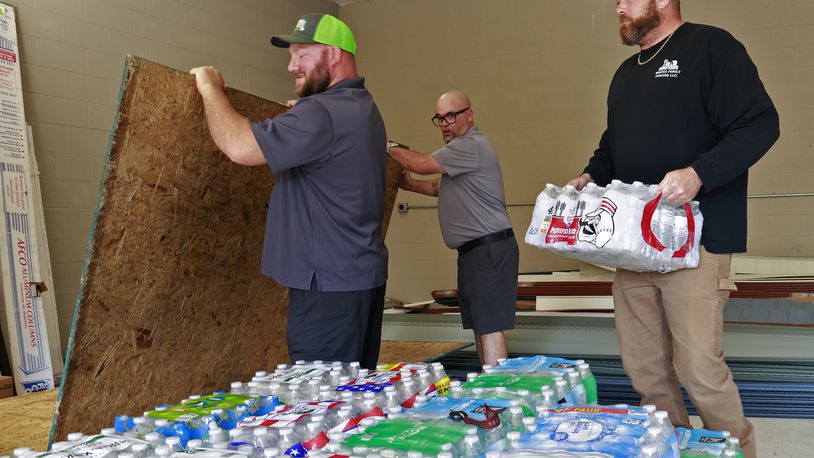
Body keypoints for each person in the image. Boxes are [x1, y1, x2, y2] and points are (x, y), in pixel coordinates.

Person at [566, 1, 779, 456]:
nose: (618, 6)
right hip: (632, 246)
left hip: (695, 244)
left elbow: (760, 124)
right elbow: (613, 145)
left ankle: (735, 452)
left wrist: (698, 173)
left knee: (699, 369)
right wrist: (590, 176)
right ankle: (675, 450)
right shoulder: (625, 75)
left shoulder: (711, 48)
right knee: (646, 370)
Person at [189, 13, 388, 370]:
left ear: (333, 54)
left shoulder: (322, 115)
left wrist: (210, 90)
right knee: (353, 400)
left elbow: (239, 147)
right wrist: (305, 116)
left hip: (326, 289)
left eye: (302, 55)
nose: (291, 66)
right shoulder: (363, 108)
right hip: (357, 281)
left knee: (322, 405)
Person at [388, 90, 519, 366]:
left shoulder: (470, 145)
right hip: (474, 252)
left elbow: (421, 164)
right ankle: (488, 389)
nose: (445, 123)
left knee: (490, 326)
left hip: (488, 249)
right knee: (482, 327)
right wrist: (410, 185)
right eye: (439, 118)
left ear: (468, 115)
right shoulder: (460, 156)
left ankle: (497, 392)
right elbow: (439, 188)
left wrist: (387, 146)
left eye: (451, 115)